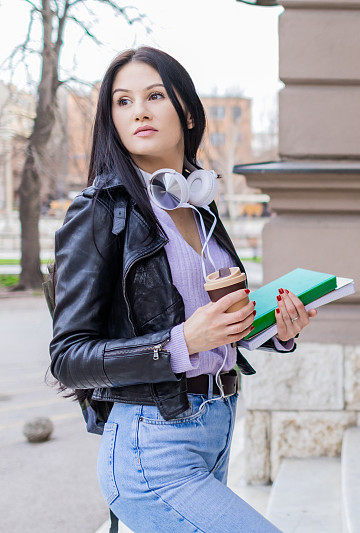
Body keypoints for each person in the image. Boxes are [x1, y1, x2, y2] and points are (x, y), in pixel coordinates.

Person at [48, 46, 316, 531]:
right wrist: (183, 341)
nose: (140, 111)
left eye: (154, 95)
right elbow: (68, 358)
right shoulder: (101, 211)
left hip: (216, 423)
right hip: (152, 446)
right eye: (123, 102)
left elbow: (214, 322)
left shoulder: (197, 204)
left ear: (187, 111)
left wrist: (274, 329)